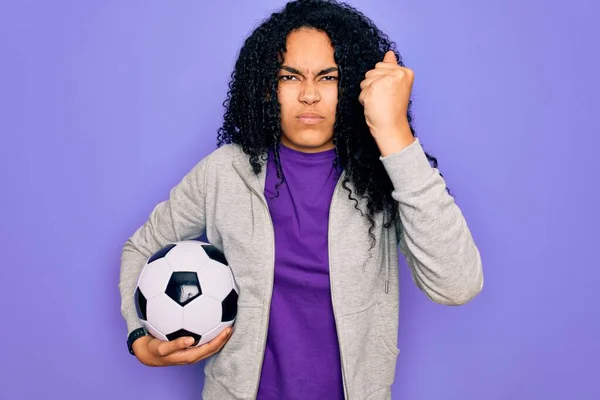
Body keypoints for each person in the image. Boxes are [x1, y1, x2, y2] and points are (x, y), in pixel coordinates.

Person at [118, 0, 484, 399]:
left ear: (354, 86)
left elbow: (456, 284)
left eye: (329, 77)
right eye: (290, 77)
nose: (309, 95)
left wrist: (395, 133)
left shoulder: (385, 173)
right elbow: (141, 246)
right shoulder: (224, 172)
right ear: (266, 85)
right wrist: (139, 333)